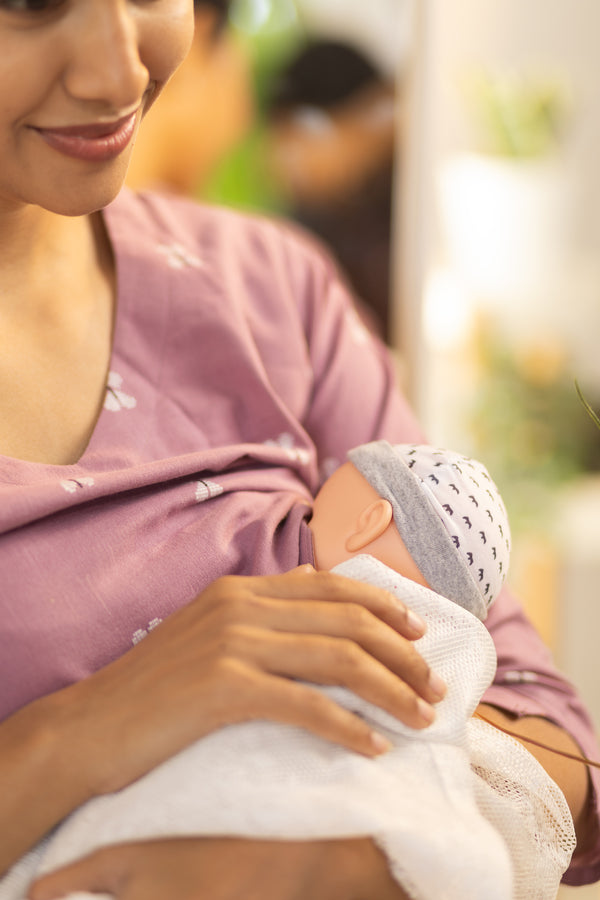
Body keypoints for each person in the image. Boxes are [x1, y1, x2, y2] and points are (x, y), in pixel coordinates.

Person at [0, 3, 598, 900]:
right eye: (32, 1)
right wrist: (75, 732)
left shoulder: (272, 292)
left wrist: (351, 862)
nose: (119, 74)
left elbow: (558, 739)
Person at [3, 443, 576, 900]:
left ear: (371, 519)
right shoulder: (460, 644)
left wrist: (349, 864)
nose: (301, 510)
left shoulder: (292, 309)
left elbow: (560, 727)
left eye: (320, 500)